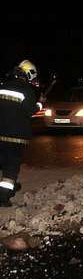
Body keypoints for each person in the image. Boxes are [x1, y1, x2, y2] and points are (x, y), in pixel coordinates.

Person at [0, 60, 43, 207]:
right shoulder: (26, 90)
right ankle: (3, 197)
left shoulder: (3, 86)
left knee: (2, 162)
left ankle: (10, 186)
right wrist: (40, 103)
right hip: (16, 136)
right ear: (28, 74)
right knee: (11, 167)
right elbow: (30, 111)